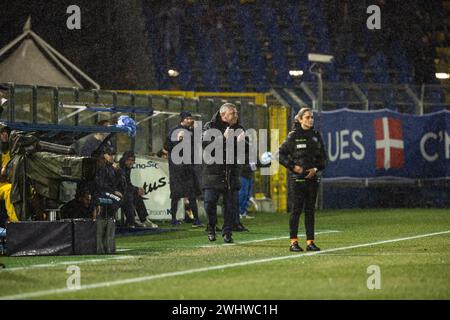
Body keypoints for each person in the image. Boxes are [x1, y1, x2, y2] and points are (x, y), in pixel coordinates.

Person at [278, 107, 328, 252]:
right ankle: (293, 242)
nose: (310, 119)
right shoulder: (293, 136)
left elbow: (323, 159)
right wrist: (294, 167)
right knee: (296, 211)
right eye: (307, 117)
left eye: (311, 117)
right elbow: (280, 155)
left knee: (310, 211)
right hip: (297, 180)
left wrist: (316, 169)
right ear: (299, 119)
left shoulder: (316, 135)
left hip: (313, 180)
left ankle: (310, 242)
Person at [202, 103, 248, 243]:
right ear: (223, 115)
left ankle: (227, 232)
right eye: (233, 113)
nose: (236, 116)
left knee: (230, 206)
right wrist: (224, 138)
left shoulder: (239, 129)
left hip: (231, 173)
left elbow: (245, 150)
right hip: (213, 173)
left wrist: (242, 142)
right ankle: (211, 226)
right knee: (209, 203)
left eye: (236, 113)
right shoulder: (209, 127)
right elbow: (206, 147)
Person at [165, 111, 203, 228]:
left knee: (192, 194)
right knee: (176, 194)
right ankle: (173, 219)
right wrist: (178, 141)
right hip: (177, 167)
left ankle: (196, 219)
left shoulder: (191, 131)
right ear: (182, 119)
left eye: (191, 118)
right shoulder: (174, 131)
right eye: (188, 118)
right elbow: (167, 147)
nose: (190, 120)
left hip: (188, 166)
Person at [118, 151, 158, 228]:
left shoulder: (126, 168)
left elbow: (127, 183)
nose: (132, 162)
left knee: (137, 196)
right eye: (130, 160)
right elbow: (122, 185)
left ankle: (143, 219)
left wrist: (137, 189)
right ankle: (131, 221)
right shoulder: (119, 168)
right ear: (125, 159)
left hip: (122, 191)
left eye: (133, 160)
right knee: (128, 196)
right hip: (115, 191)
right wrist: (136, 189)